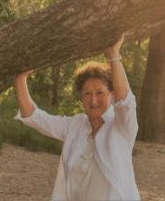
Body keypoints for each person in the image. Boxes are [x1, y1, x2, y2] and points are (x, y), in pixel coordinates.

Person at [14, 34, 140, 201]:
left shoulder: (122, 126)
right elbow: (32, 116)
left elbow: (126, 103)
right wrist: (20, 78)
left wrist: (113, 55)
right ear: (81, 97)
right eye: (87, 93)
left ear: (112, 94)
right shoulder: (74, 125)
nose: (93, 100)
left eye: (100, 93)